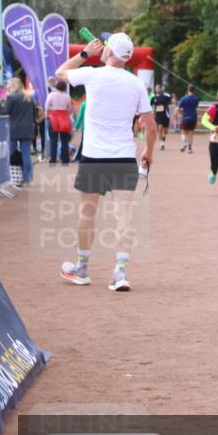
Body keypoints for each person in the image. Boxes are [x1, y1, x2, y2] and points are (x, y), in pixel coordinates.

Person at [55, 32, 156, 291]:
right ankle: (120, 273)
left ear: (108, 52)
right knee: (124, 216)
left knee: (87, 214)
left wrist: (85, 53)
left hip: (94, 157)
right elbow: (151, 126)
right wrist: (148, 153)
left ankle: (82, 268)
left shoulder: (92, 73)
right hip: (123, 157)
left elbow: (60, 72)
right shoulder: (136, 84)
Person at [0, 77, 43, 184]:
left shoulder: (11, 98)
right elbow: (34, 114)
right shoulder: (29, 98)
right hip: (28, 129)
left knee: (12, 153)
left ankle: (12, 177)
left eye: (9, 84)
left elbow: (5, 112)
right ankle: (27, 178)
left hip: (14, 129)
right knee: (26, 154)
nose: (8, 86)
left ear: (14, 85)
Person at [45, 80, 75, 165]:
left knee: (53, 140)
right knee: (64, 141)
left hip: (53, 117)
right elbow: (69, 109)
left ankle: (53, 161)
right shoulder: (67, 96)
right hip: (64, 118)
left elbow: (47, 107)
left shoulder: (51, 95)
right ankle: (65, 160)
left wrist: (47, 115)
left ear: (56, 86)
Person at [177, 85, 200, 153]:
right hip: (193, 117)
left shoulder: (183, 98)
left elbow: (179, 108)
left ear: (188, 90)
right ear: (194, 90)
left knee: (184, 133)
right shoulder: (196, 99)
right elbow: (195, 106)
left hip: (185, 117)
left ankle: (184, 144)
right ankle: (189, 148)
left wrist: (178, 113)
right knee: (191, 133)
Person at [150, 84, 173, 151]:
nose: (156, 89)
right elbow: (150, 106)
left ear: (161, 89)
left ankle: (164, 137)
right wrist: (152, 112)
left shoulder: (166, 96)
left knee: (165, 131)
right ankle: (161, 144)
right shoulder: (153, 98)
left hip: (165, 115)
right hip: (158, 115)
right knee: (159, 128)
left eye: (158, 88)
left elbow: (172, 99)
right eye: (155, 88)